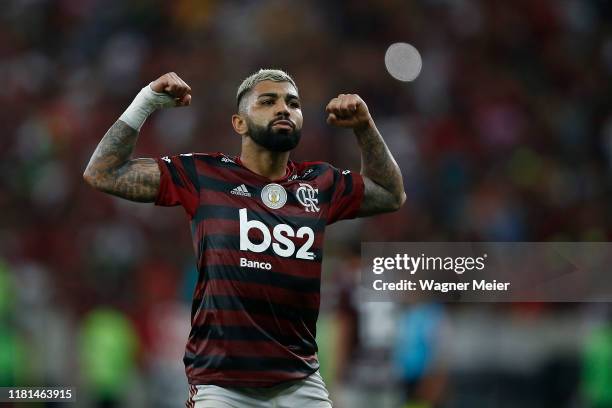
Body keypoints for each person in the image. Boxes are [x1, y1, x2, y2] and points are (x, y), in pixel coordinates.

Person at [83, 69, 406, 407]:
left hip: (301, 383)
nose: (284, 108)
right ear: (238, 123)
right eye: (268, 101)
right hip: (223, 387)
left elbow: (390, 194)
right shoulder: (204, 174)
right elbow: (103, 172)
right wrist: (147, 100)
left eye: (292, 103)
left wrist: (364, 127)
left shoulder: (320, 182)